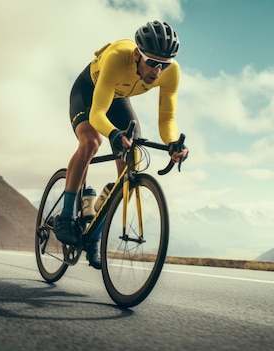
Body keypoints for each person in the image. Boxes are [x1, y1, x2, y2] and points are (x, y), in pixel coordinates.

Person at [55, 20, 188, 269]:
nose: (158, 72)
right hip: (89, 92)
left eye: (164, 65)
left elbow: (167, 118)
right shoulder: (117, 57)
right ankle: (64, 216)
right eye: (152, 63)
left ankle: (93, 234)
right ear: (137, 54)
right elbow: (97, 114)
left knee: (130, 163)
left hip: (119, 98)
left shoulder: (172, 72)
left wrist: (172, 142)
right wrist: (113, 133)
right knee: (91, 142)